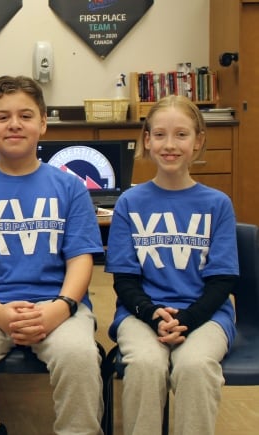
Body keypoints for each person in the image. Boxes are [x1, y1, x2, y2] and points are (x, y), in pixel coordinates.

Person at [0, 75, 105, 435]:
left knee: (79, 357)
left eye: (26, 115)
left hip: (57, 305)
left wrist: (60, 308)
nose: (14, 124)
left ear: (43, 123)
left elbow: (80, 259)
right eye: (2, 116)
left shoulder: (71, 187)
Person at [106, 95, 238, 435]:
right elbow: (124, 279)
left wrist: (188, 319)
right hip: (141, 314)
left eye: (181, 134)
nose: (170, 145)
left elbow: (222, 280)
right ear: (147, 140)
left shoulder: (217, 204)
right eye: (160, 134)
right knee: (146, 365)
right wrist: (152, 314)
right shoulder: (129, 203)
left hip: (205, 315)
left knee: (195, 367)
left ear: (198, 141)